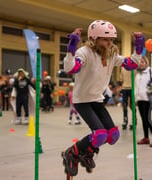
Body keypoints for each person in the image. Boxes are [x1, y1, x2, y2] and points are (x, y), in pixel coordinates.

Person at [61, 19, 143, 178]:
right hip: (82, 100)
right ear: (94, 38)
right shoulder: (84, 52)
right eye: (105, 39)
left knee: (113, 136)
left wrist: (139, 46)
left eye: (111, 39)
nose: (109, 43)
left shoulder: (111, 54)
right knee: (99, 135)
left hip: (97, 100)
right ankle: (72, 153)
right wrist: (71, 47)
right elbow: (71, 68)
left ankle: (86, 153)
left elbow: (131, 64)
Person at [134, 56, 152, 147]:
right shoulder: (138, 73)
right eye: (140, 62)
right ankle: (146, 138)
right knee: (143, 119)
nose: (141, 63)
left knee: (148, 119)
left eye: (143, 62)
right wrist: (135, 98)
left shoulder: (150, 71)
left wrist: (148, 90)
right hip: (140, 99)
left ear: (146, 62)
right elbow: (136, 87)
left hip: (147, 99)